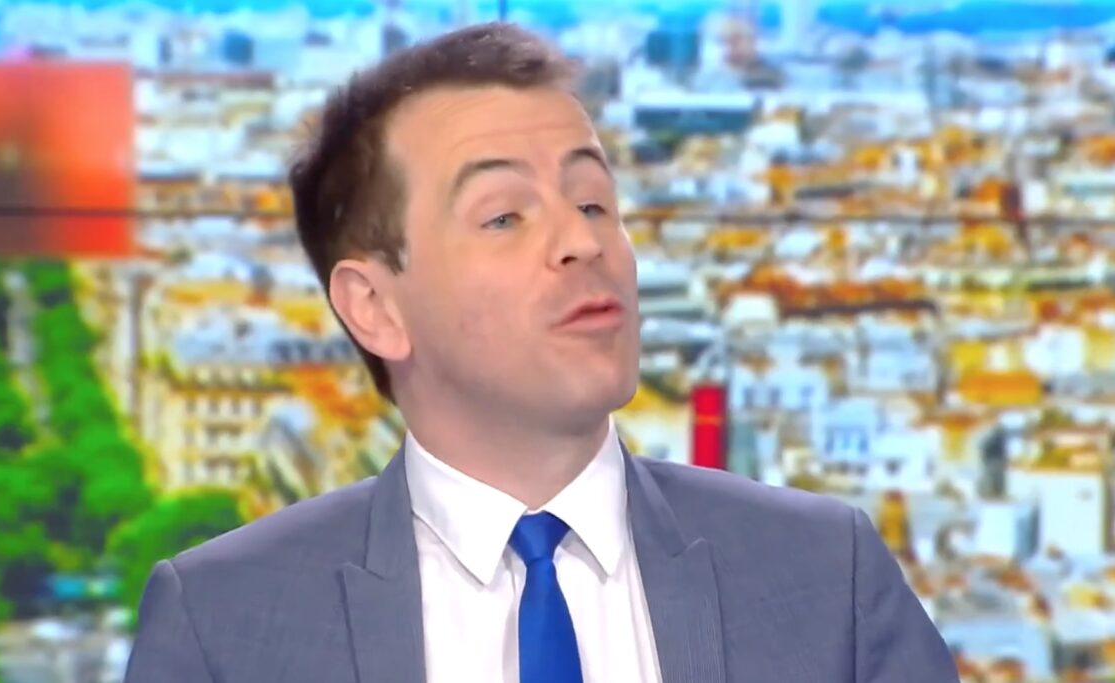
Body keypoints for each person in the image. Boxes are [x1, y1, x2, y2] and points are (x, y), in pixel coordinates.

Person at [124, 22, 959, 683]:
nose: (581, 242)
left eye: (594, 203)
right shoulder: (225, 626)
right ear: (375, 307)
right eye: (504, 216)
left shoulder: (827, 579)